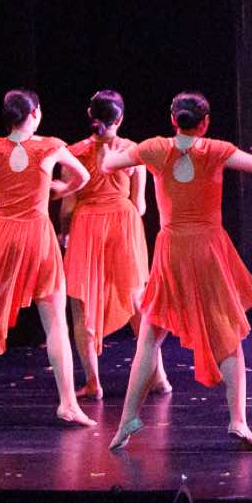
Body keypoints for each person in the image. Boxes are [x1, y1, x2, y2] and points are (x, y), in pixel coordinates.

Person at [105, 93, 252, 453]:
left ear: (173, 119)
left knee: (149, 339)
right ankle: (238, 420)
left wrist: (111, 148)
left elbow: (110, 164)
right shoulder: (215, 149)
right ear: (205, 122)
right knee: (228, 334)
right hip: (208, 250)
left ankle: (127, 420)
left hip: (172, 251)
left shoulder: (155, 148)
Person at [0, 89, 95, 428]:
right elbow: (83, 177)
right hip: (37, 237)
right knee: (55, 322)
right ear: (35, 114)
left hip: (2, 235)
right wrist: (62, 189)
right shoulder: (50, 147)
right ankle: (68, 403)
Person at [59, 90, 165, 403]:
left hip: (86, 224)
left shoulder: (73, 153)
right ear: (120, 118)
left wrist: (65, 234)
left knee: (82, 304)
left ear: (90, 115)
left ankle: (93, 382)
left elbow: (67, 206)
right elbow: (140, 205)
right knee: (137, 300)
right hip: (123, 222)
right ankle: (158, 376)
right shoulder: (133, 151)